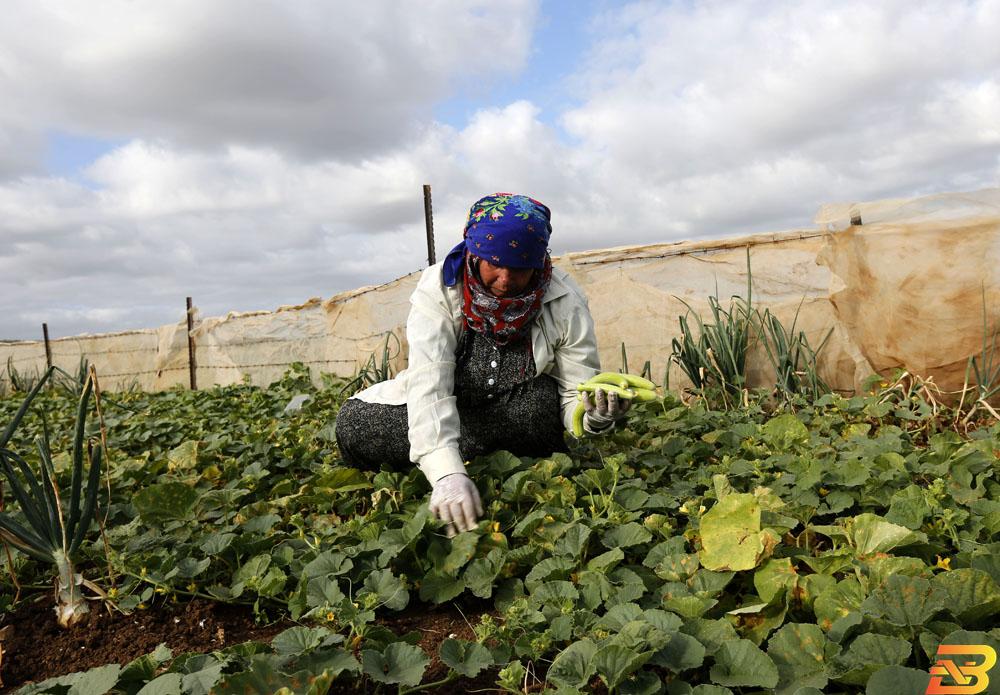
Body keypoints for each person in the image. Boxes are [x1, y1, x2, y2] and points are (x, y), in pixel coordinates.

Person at [335, 193, 631, 535]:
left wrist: (594, 415)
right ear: (474, 254)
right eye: (495, 263)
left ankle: (449, 453)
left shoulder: (566, 300)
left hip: (515, 408)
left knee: (540, 405)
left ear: (538, 261)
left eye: (519, 267)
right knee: (354, 423)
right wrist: (447, 474)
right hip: (459, 407)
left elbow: (573, 395)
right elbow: (430, 387)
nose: (505, 279)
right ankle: (458, 457)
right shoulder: (439, 290)